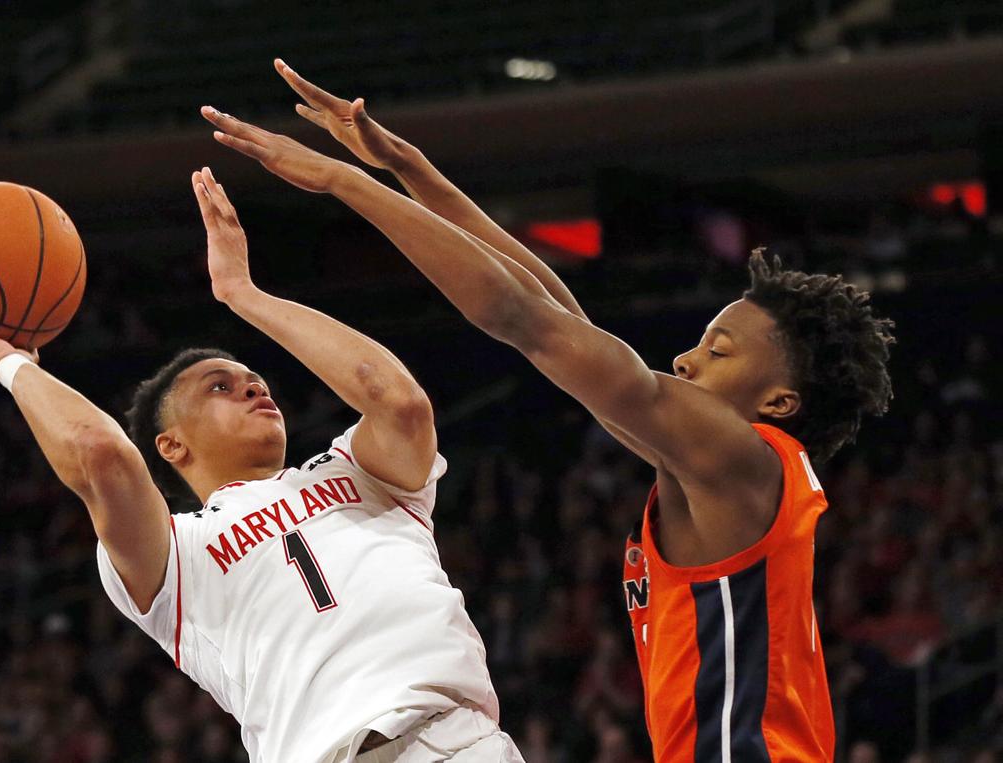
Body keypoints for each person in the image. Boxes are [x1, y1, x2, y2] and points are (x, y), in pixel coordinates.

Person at [201, 60, 896, 760]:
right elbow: (560, 315)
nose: (686, 360)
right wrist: (407, 167)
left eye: (719, 351)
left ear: (779, 401)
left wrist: (340, 182)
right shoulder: (718, 475)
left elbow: (520, 316)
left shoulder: (743, 458)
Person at [0, 169, 524, 763]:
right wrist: (10, 364)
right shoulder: (179, 554)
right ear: (172, 446)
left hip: (454, 743)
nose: (254, 387)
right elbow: (101, 454)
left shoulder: (358, 473)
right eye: (220, 387)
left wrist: (244, 294)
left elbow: (400, 401)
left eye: (255, 379)